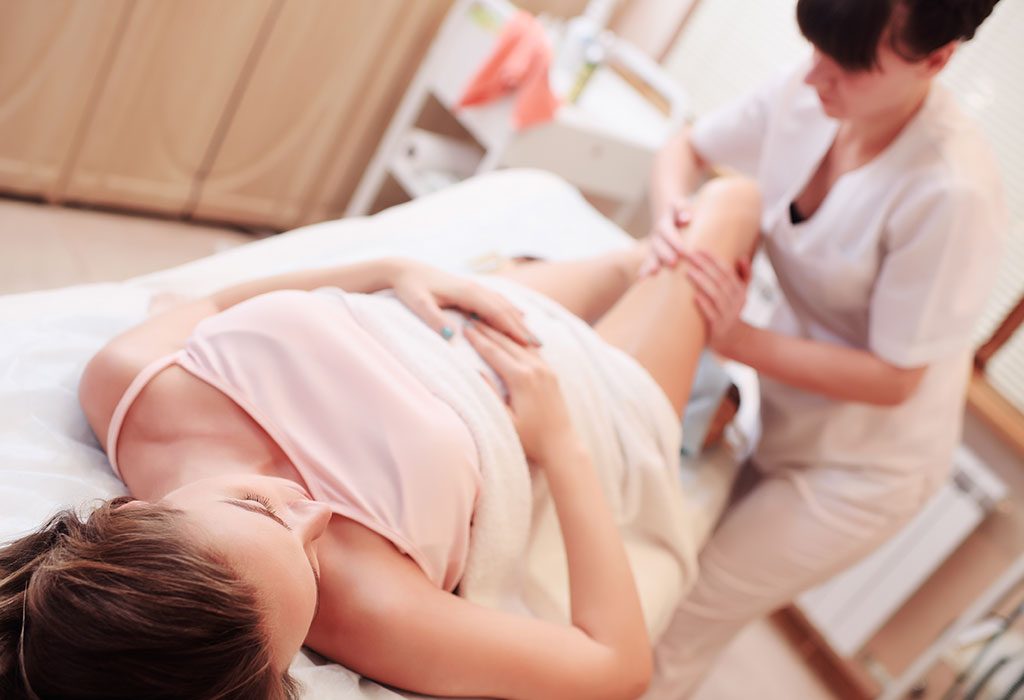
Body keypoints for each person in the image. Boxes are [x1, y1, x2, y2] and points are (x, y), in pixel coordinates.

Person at [0, 176, 761, 700]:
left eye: (264, 513)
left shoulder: (128, 386)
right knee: (733, 201)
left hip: (440, 311)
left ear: (134, 516)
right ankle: (711, 385)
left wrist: (386, 269)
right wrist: (561, 441)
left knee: (641, 255)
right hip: (552, 384)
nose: (315, 516)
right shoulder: (361, 604)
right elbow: (617, 669)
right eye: (310, 559)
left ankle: (650, 296)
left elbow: (213, 299)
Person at [641, 0, 1006, 696]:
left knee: (683, 617)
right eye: (815, 49)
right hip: (789, 408)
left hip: (863, 473)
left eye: (849, 67)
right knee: (666, 569)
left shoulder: (950, 192)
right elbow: (685, 149)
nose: (815, 79)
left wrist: (737, 339)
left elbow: (896, 377)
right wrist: (671, 220)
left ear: (937, 61)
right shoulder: (806, 90)